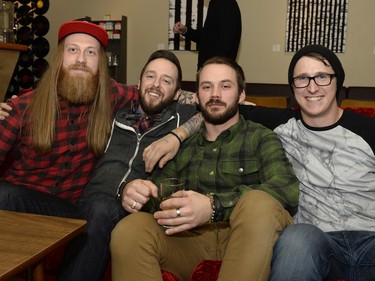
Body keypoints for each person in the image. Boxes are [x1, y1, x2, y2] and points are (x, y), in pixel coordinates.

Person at [0, 20, 192, 281]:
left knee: (99, 206)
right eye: (73, 50)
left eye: (90, 52)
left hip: (75, 209)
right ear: (59, 58)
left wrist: (182, 132)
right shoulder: (22, 108)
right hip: (28, 205)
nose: (81, 59)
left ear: (100, 63)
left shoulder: (113, 96)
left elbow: (163, 92)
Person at [110, 56, 299, 281]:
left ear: (241, 94)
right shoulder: (182, 147)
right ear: (197, 97)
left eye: (225, 86)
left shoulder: (261, 138)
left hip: (247, 239)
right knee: (130, 228)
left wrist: (213, 207)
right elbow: (159, 197)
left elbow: (285, 189)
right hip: (190, 243)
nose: (215, 94)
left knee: (259, 203)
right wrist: (133, 191)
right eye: (207, 87)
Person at [238, 44, 375, 280]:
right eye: (302, 78)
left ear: (337, 81)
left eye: (322, 76)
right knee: (295, 238)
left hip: (370, 240)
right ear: (293, 87)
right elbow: (216, 108)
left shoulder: (368, 129)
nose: (312, 87)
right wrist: (177, 136)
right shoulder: (281, 124)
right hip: (317, 242)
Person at [58, 49, 197, 281]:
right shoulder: (114, 112)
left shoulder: (182, 118)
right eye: (150, 76)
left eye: (166, 81)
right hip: (85, 201)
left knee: (100, 207)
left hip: (132, 212)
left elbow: (222, 113)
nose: (155, 85)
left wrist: (178, 135)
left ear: (177, 94)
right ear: (139, 82)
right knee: (6, 195)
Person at [173, 0, 242, 70]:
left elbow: (226, 43)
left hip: (215, 71)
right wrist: (184, 30)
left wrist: (210, 70)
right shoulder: (217, 3)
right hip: (213, 70)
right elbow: (206, 38)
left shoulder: (224, 3)